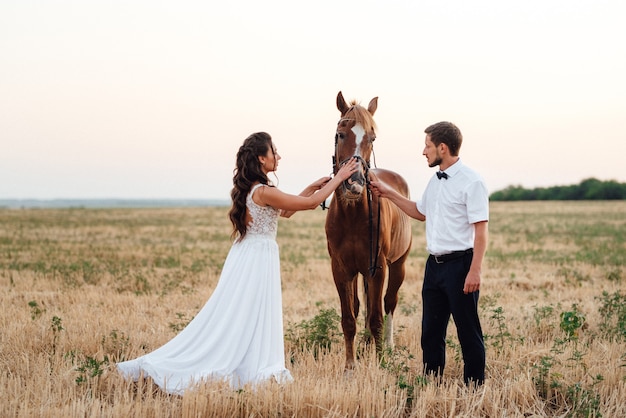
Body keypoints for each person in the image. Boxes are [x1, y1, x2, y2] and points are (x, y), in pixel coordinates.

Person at [117, 132, 358, 395]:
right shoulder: (264, 191)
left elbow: (288, 211)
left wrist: (313, 185)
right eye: (273, 151)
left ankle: (244, 358)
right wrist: (339, 177)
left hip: (250, 254)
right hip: (257, 258)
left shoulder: (257, 190)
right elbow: (310, 205)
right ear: (260, 158)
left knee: (244, 312)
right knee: (246, 312)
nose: (278, 156)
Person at [369, 121, 488, 386]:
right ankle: (431, 382)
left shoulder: (472, 182)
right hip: (434, 266)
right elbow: (420, 212)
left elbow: (481, 231)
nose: (424, 151)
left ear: (442, 148)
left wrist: (475, 270)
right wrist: (388, 193)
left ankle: (474, 388)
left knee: (468, 332)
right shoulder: (435, 181)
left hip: (461, 265)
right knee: (431, 332)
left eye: (428, 146)